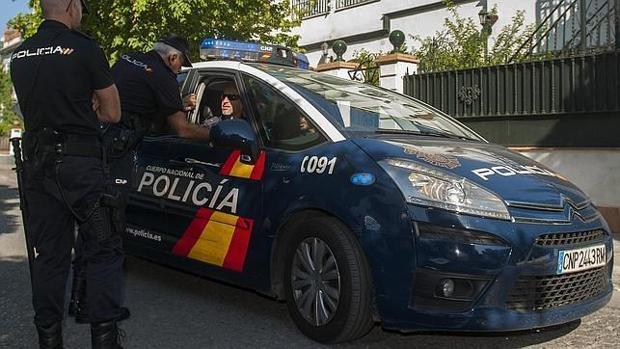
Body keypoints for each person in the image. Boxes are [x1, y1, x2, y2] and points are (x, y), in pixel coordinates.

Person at [67, 34, 210, 325]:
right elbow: (182, 130)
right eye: (181, 63)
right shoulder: (162, 76)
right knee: (110, 229)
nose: (181, 71)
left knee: (92, 223)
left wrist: (175, 102)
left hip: (96, 145)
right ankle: (98, 307)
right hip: (116, 153)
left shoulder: (129, 59)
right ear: (172, 57)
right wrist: (217, 135)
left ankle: (78, 300)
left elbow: (134, 98)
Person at [9, 0, 126, 348]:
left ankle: (49, 340)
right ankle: (104, 341)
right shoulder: (85, 48)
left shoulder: (21, 56)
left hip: (38, 168)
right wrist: (89, 103)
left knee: (49, 257)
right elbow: (113, 113)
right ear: (72, 6)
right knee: (103, 250)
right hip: (81, 166)